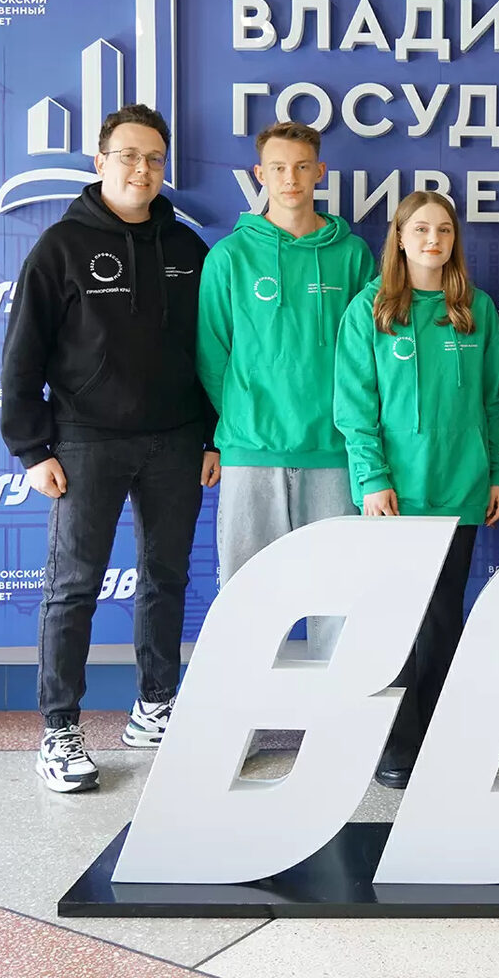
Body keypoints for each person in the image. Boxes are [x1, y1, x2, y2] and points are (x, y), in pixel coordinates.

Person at [1, 104, 219, 794]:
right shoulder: (61, 246)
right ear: (100, 163)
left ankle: (155, 706)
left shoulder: (187, 248)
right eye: (129, 155)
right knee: (74, 587)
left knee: (166, 578)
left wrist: (212, 434)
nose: (142, 169)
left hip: (176, 440)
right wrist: (32, 448)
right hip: (85, 441)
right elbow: (21, 355)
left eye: (154, 158)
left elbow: (212, 351)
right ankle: (59, 728)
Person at [334, 190, 499, 788]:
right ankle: (396, 743)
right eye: (421, 230)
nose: (433, 240)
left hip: (461, 487)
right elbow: (354, 407)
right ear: (400, 238)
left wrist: (497, 472)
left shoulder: (475, 309)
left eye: (444, 230)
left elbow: (490, 400)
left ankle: (438, 737)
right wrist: (372, 479)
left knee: (443, 619)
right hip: (396, 495)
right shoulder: (371, 308)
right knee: (397, 620)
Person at [195, 121, 375, 658]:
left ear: (320, 172)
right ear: (260, 174)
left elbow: (367, 354)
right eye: (278, 168)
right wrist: (240, 419)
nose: (290, 178)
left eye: (301, 167)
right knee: (247, 596)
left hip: (334, 451)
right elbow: (211, 353)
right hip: (252, 450)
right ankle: (242, 707)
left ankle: (336, 706)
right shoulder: (229, 256)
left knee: (338, 596)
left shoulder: (353, 255)